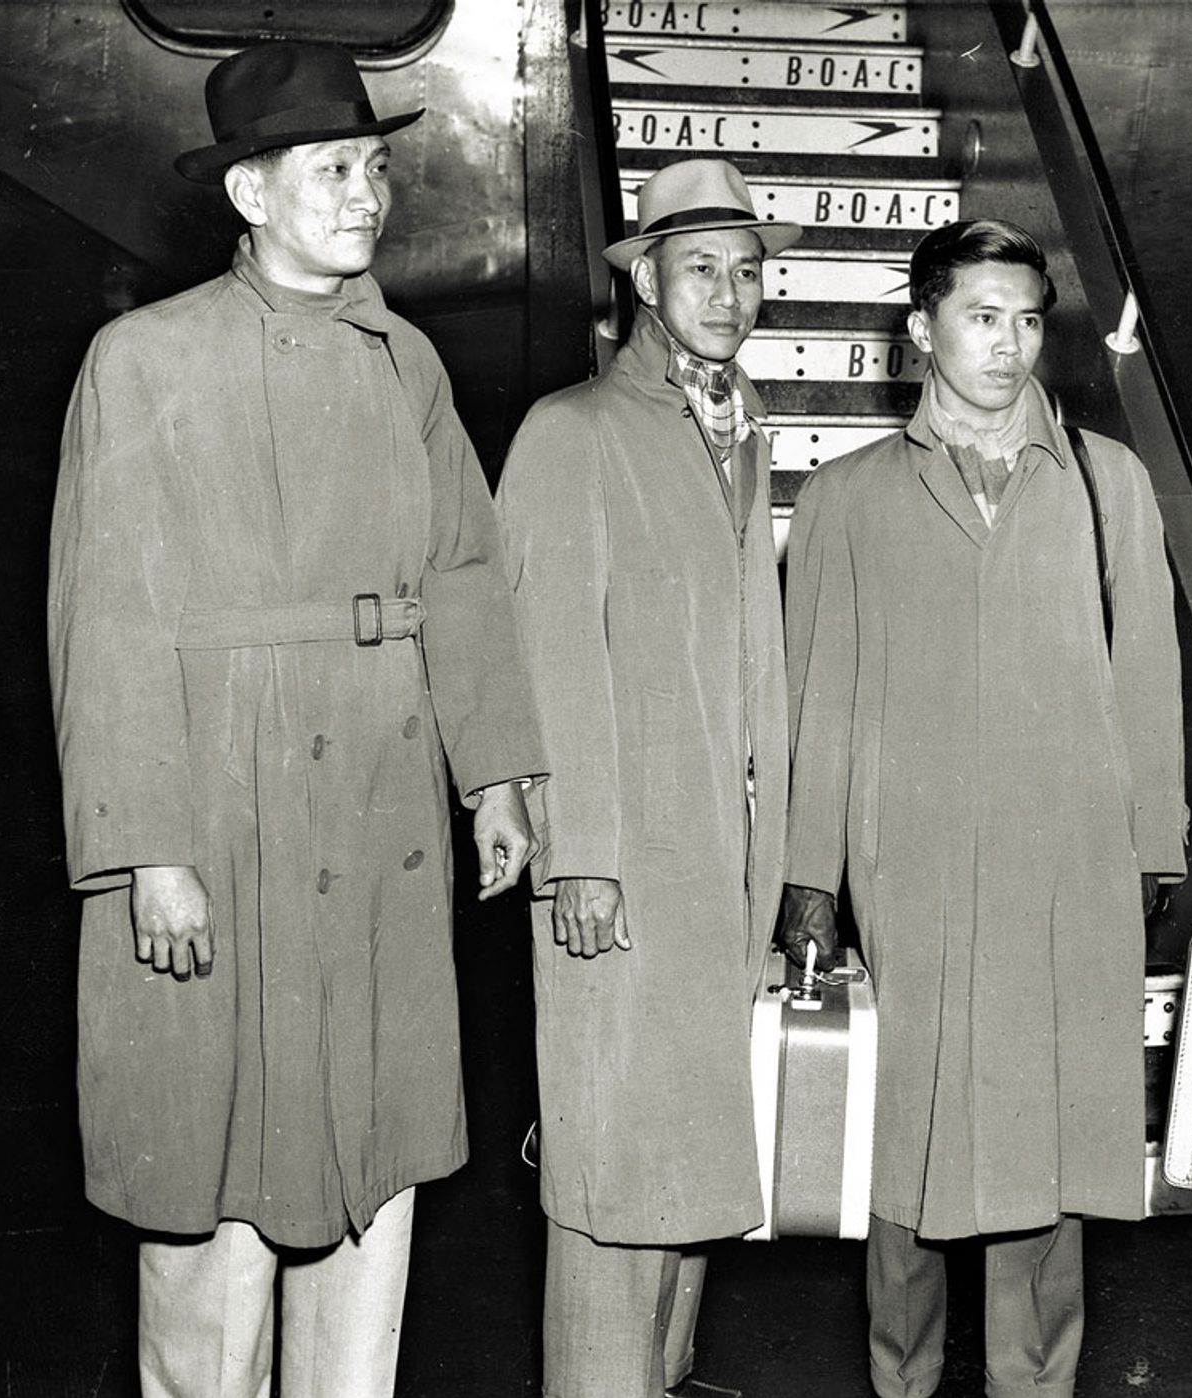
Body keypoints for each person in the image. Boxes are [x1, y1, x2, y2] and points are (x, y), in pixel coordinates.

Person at [46, 39, 543, 1398]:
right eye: (332, 168)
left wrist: (495, 771)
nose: (366, 192)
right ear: (250, 195)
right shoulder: (144, 360)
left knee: (368, 1171)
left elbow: (465, 572)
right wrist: (149, 845)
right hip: (220, 808)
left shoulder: (409, 364)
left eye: (375, 166)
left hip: (378, 801)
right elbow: (110, 615)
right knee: (214, 1184)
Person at [779, 218, 1187, 1398]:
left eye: (1024, 322)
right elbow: (821, 697)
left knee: (1045, 1163)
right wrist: (812, 876)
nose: (1007, 347)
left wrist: (1150, 843)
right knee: (905, 1164)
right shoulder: (850, 497)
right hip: (909, 872)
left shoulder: (1108, 485)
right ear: (920, 329)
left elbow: (1147, 674)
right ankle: (899, 1381)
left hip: (1065, 873)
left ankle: (1035, 1385)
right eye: (978, 318)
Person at [494, 158, 799, 1398]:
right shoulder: (573, 431)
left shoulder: (740, 426)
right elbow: (546, 655)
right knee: (614, 1173)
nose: (729, 293)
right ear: (644, 288)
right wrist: (582, 855)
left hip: (717, 860)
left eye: (746, 269)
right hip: (620, 865)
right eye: (700, 269)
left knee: (684, 1170)